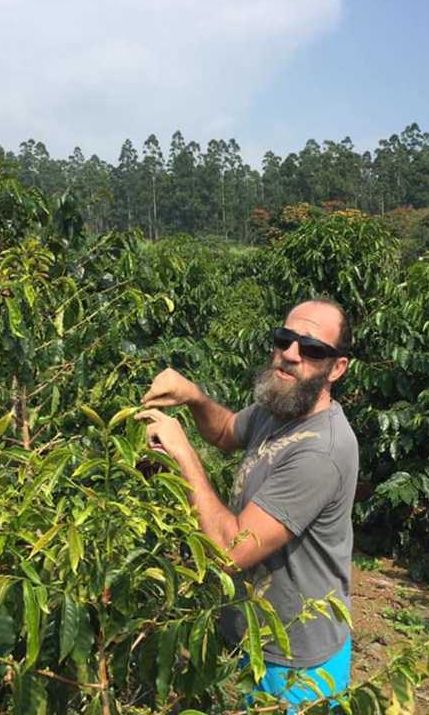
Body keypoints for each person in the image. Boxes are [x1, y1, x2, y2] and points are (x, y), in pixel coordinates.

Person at [135, 299, 359, 711]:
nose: (291, 355)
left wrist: (183, 453)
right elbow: (224, 431)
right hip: (247, 636)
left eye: (312, 350)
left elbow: (229, 550)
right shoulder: (280, 407)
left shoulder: (322, 452)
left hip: (295, 664)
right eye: (285, 339)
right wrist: (193, 398)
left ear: (337, 368)